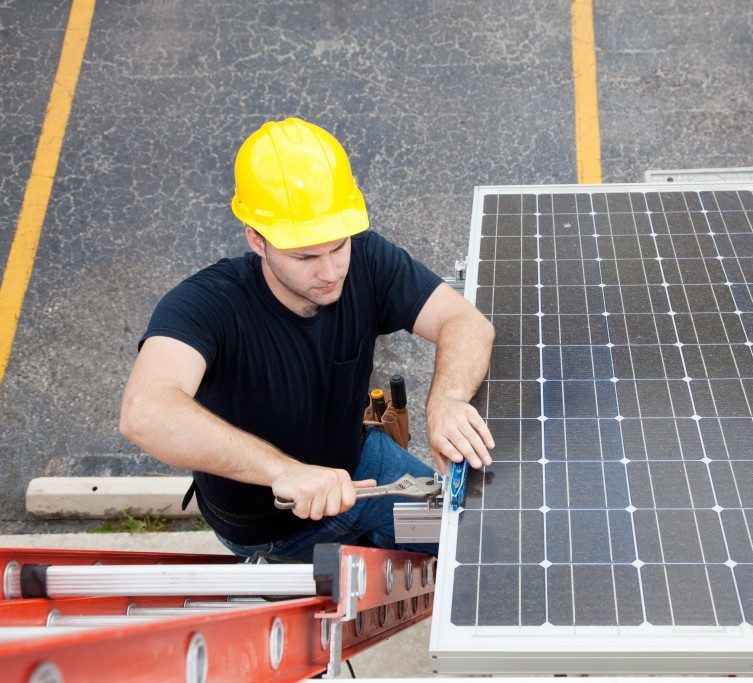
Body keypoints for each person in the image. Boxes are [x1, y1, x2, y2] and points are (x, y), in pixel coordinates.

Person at [120, 117, 494, 562]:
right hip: (274, 530)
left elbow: (465, 322)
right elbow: (144, 411)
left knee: (482, 540)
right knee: (330, 619)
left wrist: (447, 402)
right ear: (257, 239)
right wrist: (284, 472)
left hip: (365, 467)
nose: (331, 271)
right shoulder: (207, 305)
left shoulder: (367, 259)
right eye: (305, 256)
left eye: (337, 246)